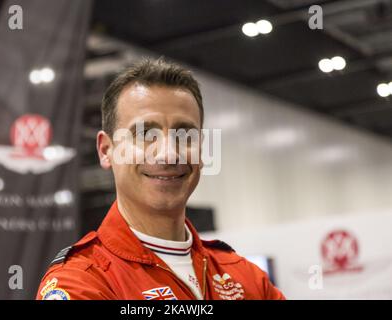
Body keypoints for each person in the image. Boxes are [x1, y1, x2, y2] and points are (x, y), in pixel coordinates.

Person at [36, 58, 285, 300]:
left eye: (186, 134)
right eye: (145, 133)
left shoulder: (245, 277)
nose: (169, 153)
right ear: (105, 150)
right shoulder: (81, 281)